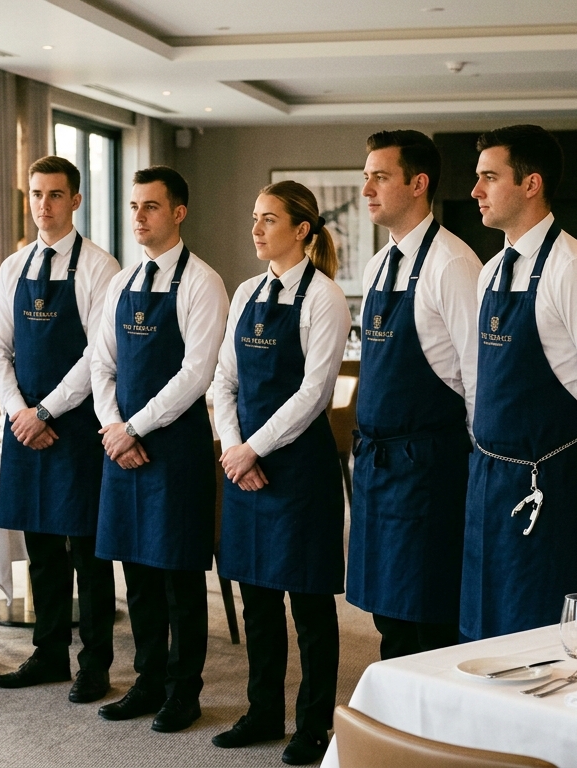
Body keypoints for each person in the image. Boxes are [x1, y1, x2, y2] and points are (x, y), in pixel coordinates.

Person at [462, 124, 577, 641]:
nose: (476, 191)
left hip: (551, 483)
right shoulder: (490, 271)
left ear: (531, 184)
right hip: (489, 479)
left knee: (543, 630)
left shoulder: (575, 269)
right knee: (483, 621)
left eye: (489, 177)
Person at [209, 181, 350, 766]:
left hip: (298, 470)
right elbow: (222, 381)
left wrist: (254, 450)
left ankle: (314, 723)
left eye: (269, 219)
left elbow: (314, 393)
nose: (257, 228)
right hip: (244, 466)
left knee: (309, 604)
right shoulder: (245, 292)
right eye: (254, 217)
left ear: (302, 231)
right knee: (256, 599)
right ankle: (262, 710)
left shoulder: (325, 298)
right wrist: (235, 447)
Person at [90, 166, 228, 733]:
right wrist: (112, 428)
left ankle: (183, 691)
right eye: (134, 206)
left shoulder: (203, 282)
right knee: (136, 574)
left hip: (175, 451)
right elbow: (101, 362)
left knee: (178, 577)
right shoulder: (121, 283)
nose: (140, 217)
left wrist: (135, 429)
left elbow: (197, 373)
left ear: (178, 213)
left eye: (151, 206)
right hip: (123, 446)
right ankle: (146, 681)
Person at [0, 155, 120, 701]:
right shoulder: (13, 267)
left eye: (56, 195)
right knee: (39, 546)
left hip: (76, 427)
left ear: (76, 201)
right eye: (37, 195)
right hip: (24, 425)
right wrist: (20, 411)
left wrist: (46, 412)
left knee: (87, 552)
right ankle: (47, 655)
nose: (44, 205)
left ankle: (95, 663)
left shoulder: (99, 266)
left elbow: (98, 354)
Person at [347, 131, 481, 658]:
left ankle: (431, 735)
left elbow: (478, 380)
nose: (367, 190)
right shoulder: (378, 266)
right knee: (388, 615)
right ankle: (394, 731)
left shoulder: (452, 264)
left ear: (418, 183)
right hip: (379, 467)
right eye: (366, 178)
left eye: (380, 177)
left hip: (429, 468)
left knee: (429, 616)